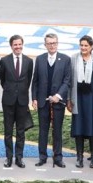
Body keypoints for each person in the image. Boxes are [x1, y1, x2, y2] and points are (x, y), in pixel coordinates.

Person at [31, 33, 72, 167]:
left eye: (54, 43)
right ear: (45, 45)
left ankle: (58, 157)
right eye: (49, 43)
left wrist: (58, 95)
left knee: (57, 130)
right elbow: (35, 80)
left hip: (58, 102)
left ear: (57, 43)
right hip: (43, 102)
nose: (52, 45)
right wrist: (34, 98)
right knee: (43, 130)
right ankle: (42, 157)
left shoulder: (65, 59)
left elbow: (67, 81)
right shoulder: (40, 59)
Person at [69, 35, 93, 169]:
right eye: (81, 45)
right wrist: (69, 99)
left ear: (91, 47)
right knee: (79, 128)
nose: (83, 48)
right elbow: (69, 81)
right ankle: (79, 157)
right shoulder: (73, 59)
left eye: (86, 46)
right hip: (78, 98)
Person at [0, 34, 34, 168]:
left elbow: (28, 80)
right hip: (8, 101)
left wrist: (20, 92)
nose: (17, 47)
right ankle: (8, 157)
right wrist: (10, 90)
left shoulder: (29, 61)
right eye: (15, 45)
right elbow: (2, 80)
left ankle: (19, 157)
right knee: (8, 131)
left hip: (22, 101)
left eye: (19, 44)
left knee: (20, 131)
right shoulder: (4, 60)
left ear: (22, 45)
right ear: (11, 46)